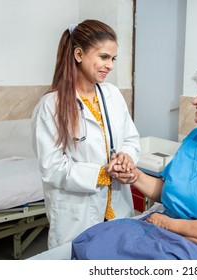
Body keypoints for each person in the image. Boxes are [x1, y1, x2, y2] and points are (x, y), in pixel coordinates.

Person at [71, 63, 197, 260]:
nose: (195, 100)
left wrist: (168, 224)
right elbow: (167, 191)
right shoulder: (196, 137)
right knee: (92, 242)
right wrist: (134, 175)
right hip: (175, 231)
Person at [31, 19, 140, 249]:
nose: (110, 65)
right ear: (79, 54)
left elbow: (130, 138)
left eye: (113, 58)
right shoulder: (51, 105)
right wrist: (102, 174)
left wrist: (126, 157)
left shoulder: (112, 94)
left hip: (117, 208)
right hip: (78, 216)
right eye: (103, 57)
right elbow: (52, 167)